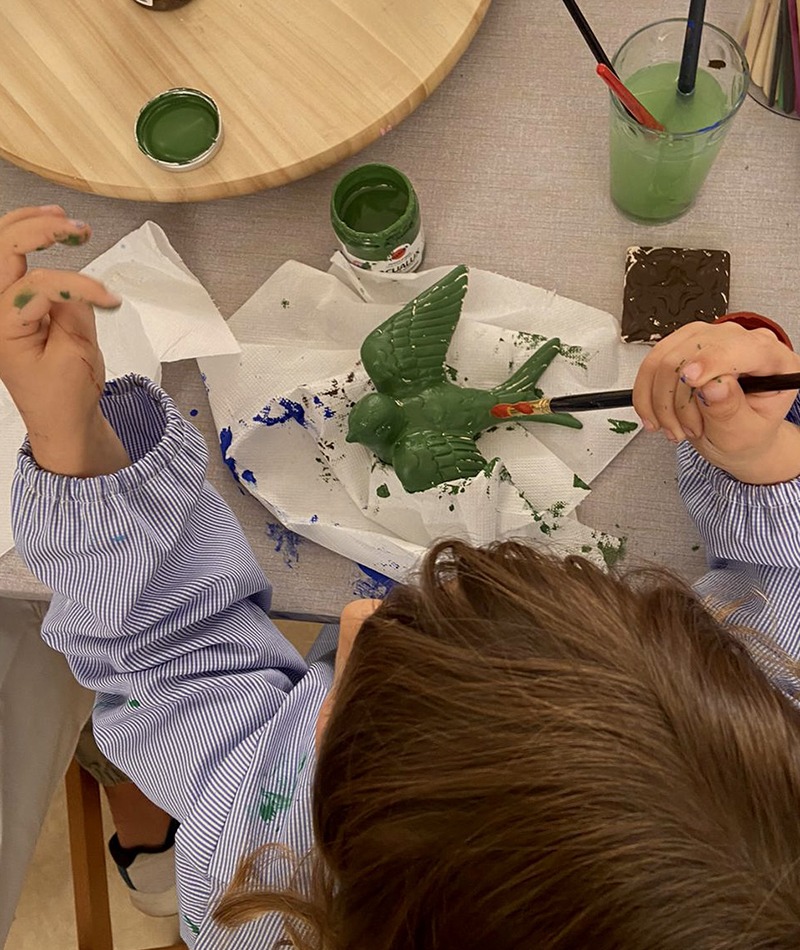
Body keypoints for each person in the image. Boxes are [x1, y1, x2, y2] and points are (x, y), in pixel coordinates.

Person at [3, 203, 800, 950]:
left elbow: (166, 646)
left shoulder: (257, 867)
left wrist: (69, 433)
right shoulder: (760, 741)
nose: (354, 614)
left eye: (352, 694)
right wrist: (767, 448)